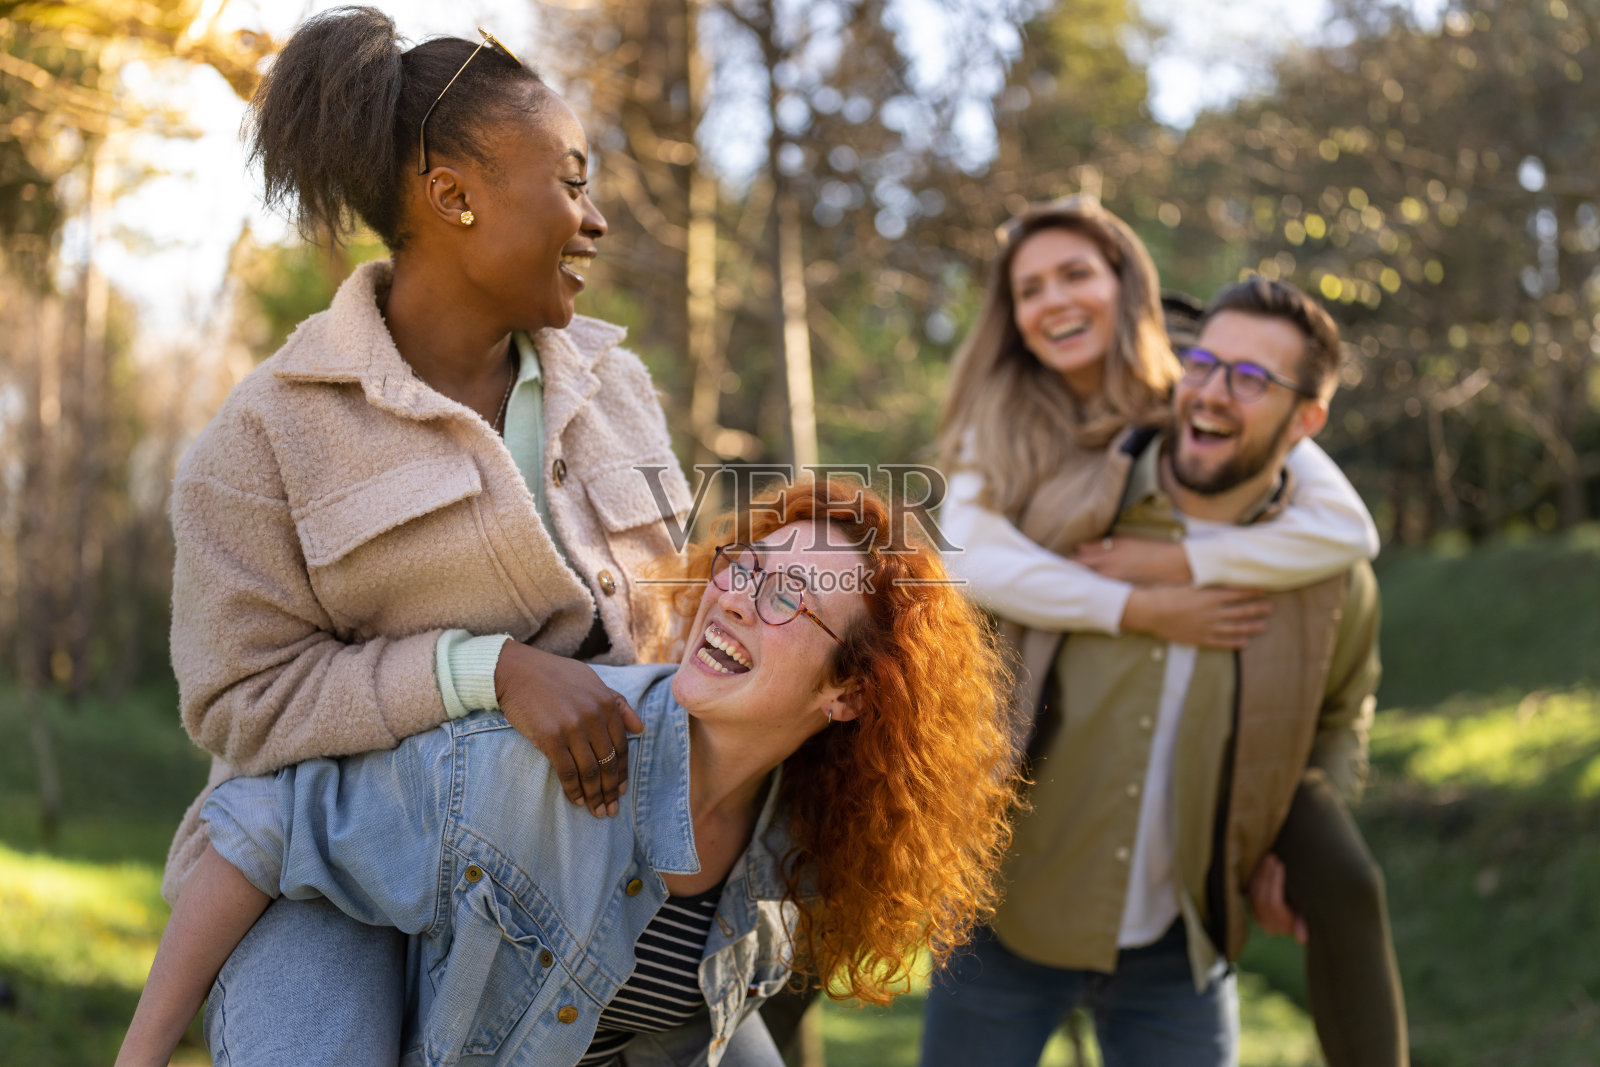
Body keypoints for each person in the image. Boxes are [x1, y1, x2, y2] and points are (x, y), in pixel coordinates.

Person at [158, 7, 698, 1059]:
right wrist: (478, 670)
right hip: (320, 873)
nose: (592, 219)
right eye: (572, 180)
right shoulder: (264, 432)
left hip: (581, 848)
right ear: (452, 195)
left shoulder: (618, 388)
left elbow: (667, 623)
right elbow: (239, 702)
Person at [116, 482, 1016, 1067]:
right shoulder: (542, 766)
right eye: (746, 566)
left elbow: (680, 1019)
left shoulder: (801, 845)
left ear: (850, 693)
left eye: (789, 597)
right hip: (332, 943)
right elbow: (261, 823)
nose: (736, 593)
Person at [924, 197, 1405, 1067]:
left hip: (1180, 947)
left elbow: (1341, 706)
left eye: (1251, 380)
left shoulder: (1316, 573)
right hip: (1008, 919)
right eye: (1208, 367)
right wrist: (1131, 601)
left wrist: (1286, 832)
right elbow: (968, 570)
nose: (1217, 391)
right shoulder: (1055, 499)